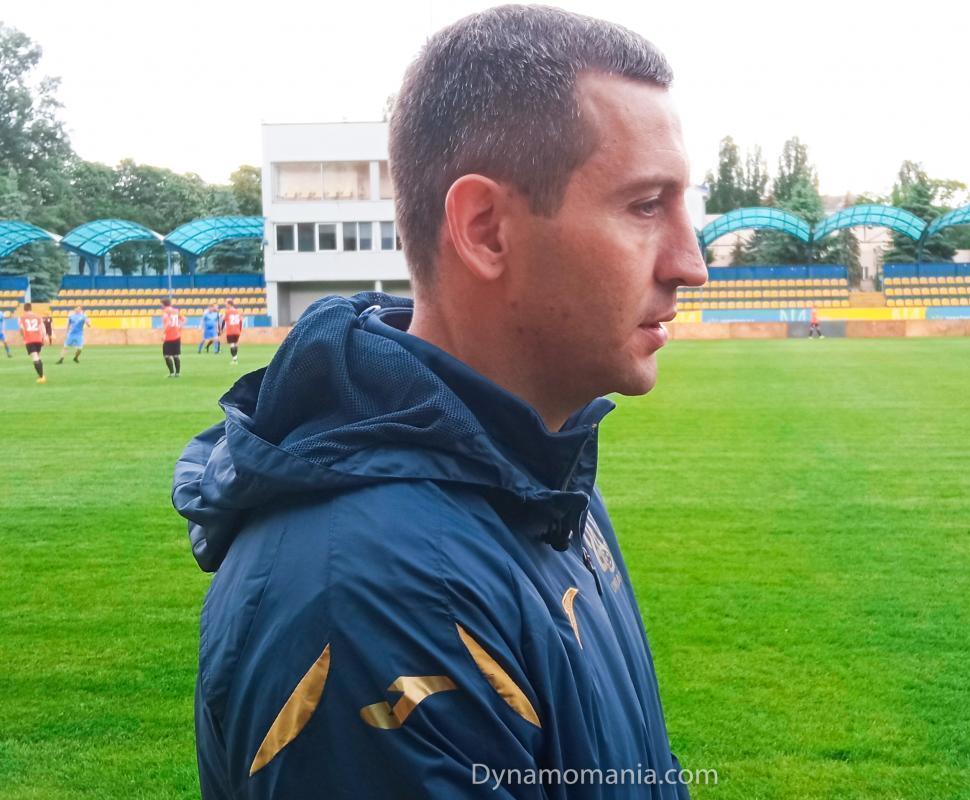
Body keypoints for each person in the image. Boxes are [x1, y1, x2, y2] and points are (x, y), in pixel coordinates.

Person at [173, 6, 706, 798]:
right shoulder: (378, 599)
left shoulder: (541, 472)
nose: (691, 263)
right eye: (645, 205)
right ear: (485, 230)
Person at [19, 303, 47, 383]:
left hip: (29, 339)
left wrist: (23, 336)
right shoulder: (38, 316)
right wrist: (44, 336)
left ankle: (41, 376)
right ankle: (41, 375)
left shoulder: (22, 317)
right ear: (31, 308)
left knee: (35, 357)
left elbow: (21, 328)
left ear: (24, 309)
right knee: (37, 356)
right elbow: (42, 327)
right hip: (38, 339)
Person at [161, 298, 185, 378]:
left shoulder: (165, 312)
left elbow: (167, 323)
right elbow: (184, 319)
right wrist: (179, 327)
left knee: (166, 355)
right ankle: (177, 373)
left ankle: (171, 373)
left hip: (168, 337)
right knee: (176, 355)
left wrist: (163, 333)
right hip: (177, 336)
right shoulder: (176, 311)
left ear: (163, 305)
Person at [221, 299, 243, 364]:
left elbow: (223, 321)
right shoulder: (238, 311)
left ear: (229, 304)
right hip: (237, 331)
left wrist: (221, 329)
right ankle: (235, 358)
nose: (225, 305)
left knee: (232, 344)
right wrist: (240, 330)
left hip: (230, 331)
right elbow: (241, 321)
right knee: (235, 344)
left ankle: (234, 359)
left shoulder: (227, 312)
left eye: (226, 304)